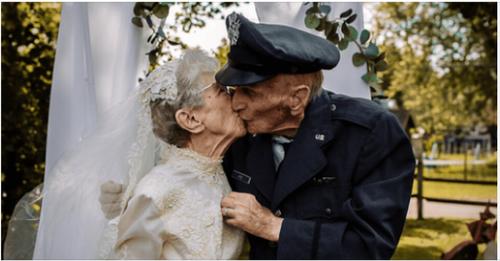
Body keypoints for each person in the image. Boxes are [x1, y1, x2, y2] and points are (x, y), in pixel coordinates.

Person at [101, 13, 416, 260]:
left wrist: (274, 227)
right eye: (232, 90)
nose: (236, 103)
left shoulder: (370, 133)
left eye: (249, 92)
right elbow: (185, 173)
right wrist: (125, 195)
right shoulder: (241, 135)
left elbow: (371, 247)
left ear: (296, 99)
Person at [34, 49, 245, 259]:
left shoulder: (223, 170)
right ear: (190, 119)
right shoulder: (156, 189)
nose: (234, 94)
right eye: (221, 91)